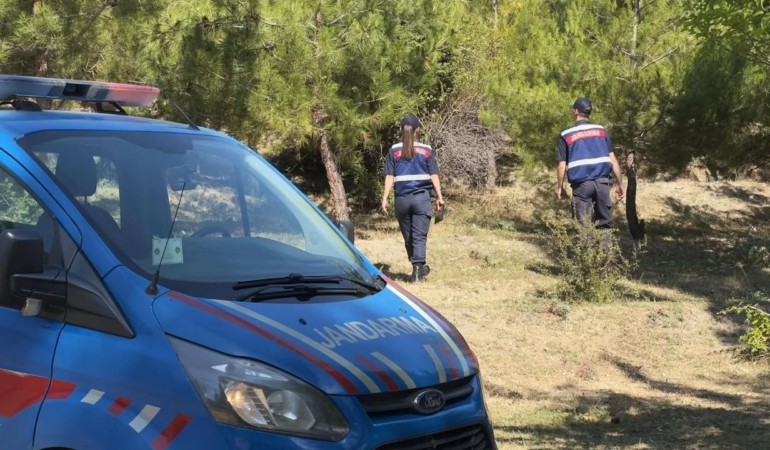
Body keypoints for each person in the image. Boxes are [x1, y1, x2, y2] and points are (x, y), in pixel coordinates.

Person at [381, 114, 444, 283]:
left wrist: (385, 198)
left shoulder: (393, 151)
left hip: (402, 200)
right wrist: (439, 197)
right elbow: (433, 175)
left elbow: (389, 176)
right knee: (419, 237)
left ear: (401, 131)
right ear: (418, 130)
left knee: (408, 237)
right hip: (421, 199)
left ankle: (417, 267)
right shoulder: (426, 150)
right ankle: (418, 272)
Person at [556, 97, 624, 230]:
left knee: (583, 225)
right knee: (604, 224)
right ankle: (604, 250)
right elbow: (613, 160)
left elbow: (561, 165)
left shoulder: (566, 134)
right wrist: (620, 184)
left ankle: (587, 250)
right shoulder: (601, 130)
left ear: (576, 111)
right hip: (603, 183)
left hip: (581, 185)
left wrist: (560, 187)